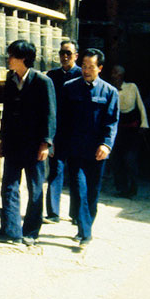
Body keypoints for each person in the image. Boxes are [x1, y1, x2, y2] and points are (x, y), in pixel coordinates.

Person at [0, 40, 56, 246]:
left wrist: (46, 143)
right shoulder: (10, 80)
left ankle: (30, 231)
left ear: (23, 59)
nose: (8, 59)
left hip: (35, 145)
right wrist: (2, 140)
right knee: (9, 187)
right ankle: (10, 230)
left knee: (35, 189)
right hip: (13, 143)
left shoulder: (42, 81)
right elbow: (9, 113)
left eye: (12, 56)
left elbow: (50, 114)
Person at [56, 48, 119, 246]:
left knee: (93, 192)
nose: (86, 70)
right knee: (79, 188)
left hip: (97, 151)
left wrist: (106, 145)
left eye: (91, 67)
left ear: (100, 68)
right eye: (84, 66)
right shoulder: (69, 88)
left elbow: (111, 122)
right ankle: (85, 231)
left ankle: (86, 226)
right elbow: (62, 119)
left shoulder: (110, 92)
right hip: (75, 150)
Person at [44, 39, 81, 223]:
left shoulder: (83, 75)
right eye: (62, 53)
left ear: (76, 55)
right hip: (57, 132)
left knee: (76, 173)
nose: (64, 56)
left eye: (68, 53)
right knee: (55, 171)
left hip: (76, 133)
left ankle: (76, 214)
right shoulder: (52, 76)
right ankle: (53, 213)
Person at [108, 64, 147, 198]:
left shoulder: (132, 87)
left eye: (117, 73)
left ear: (122, 75)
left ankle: (133, 185)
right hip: (116, 129)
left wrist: (144, 124)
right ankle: (122, 188)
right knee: (116, 159)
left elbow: (140, 105)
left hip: (131, 129)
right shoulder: (109, 89)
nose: (114, 76)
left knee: (130, 158)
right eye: (113, 73)